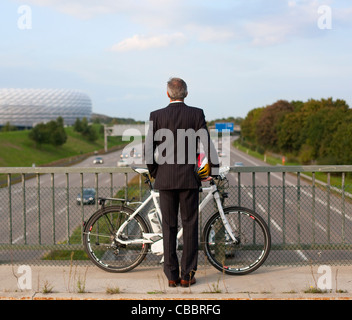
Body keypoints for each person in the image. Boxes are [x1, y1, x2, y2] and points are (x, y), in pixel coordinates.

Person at [145, 77, 219, 287]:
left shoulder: (156, 116)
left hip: (165, 179)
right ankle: (187, 276)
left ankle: (171, 276)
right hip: (189, 179)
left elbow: (149, 151)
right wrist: (212, 170)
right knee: (190, 226)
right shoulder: (196, 114)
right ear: (186, 93)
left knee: (168, 227)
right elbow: (206, 143)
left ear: (168, 94)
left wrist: (156, 173)